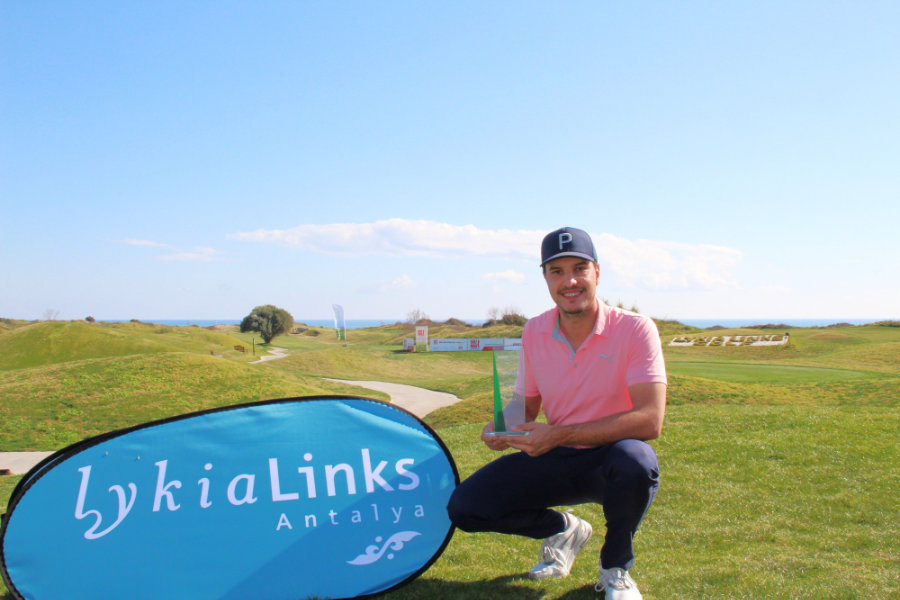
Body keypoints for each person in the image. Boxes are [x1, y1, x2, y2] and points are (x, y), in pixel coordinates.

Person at [446, 226, 667, 599]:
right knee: (466, 508)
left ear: (597, 272)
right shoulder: (534, 330)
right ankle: (563, 529)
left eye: (579, 268)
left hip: (610, 458)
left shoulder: (635, 329)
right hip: (556, 456)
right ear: (545, 278)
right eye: (557, 271)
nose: (570, 281)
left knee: (636, 460)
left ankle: (615, 569)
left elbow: (649, 419)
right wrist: (504, 427)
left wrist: (560, 434)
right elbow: (526, 404)